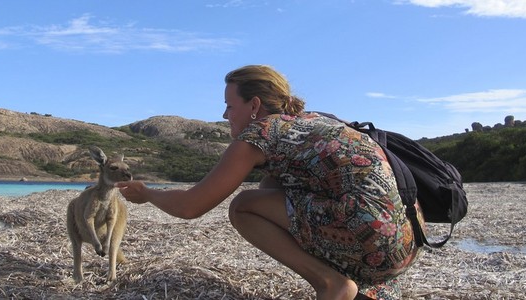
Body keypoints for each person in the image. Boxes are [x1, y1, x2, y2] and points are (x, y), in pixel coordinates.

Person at [115, 65, 422, 300]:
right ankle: (354, 286)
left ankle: (331, 284)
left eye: (230, 105)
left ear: (254, 106)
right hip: (407, 241)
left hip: (372, 239)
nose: (224, 114)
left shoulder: (260, 133)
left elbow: (191, 206)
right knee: (268, 188)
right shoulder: (313, 121)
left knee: (244, 207)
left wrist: (148, 193)